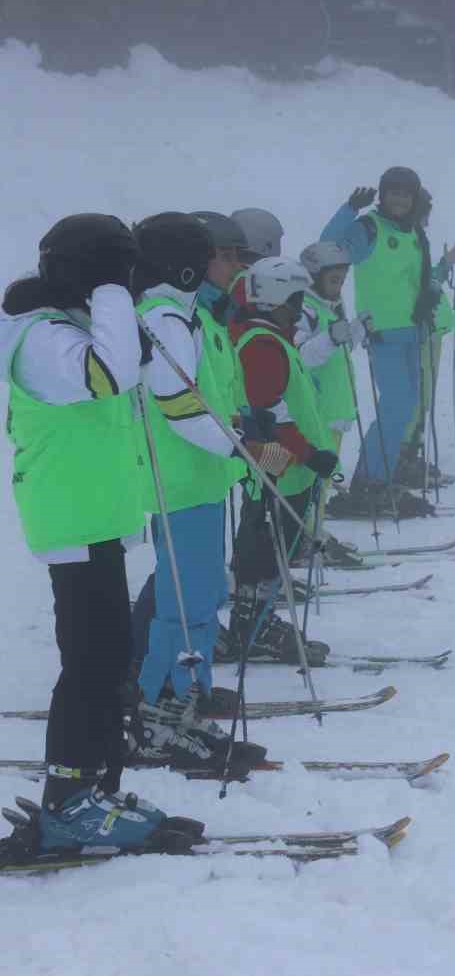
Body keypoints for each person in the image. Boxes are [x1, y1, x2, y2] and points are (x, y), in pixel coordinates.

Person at [0, 214, 194, 853]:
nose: (128, 284)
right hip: (71, 519)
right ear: (93, 273)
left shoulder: (66, 328)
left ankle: (95, 788)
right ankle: (69, 800)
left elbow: (130, 368)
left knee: (107, 658)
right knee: (89, 661)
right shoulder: (40, 339)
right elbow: (109, 376)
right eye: (120, 273)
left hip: (98, 519)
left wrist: (120, 310)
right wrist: (113, 296)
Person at [129, 213, 265, 773]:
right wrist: (234, 442)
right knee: (187, 603)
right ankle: (162, 710)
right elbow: (179, 405)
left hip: (197, 479)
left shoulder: (180, 313)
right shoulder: (163, 316)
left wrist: (236, 429)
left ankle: (185, 700)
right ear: (184, 263)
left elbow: (200, 395)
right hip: (180, 481)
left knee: (201, 596)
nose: (223, 266)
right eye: (212, 255)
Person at [225, 256, 340, 666]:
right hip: (281, 466)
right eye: (295, 298)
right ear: (276, 300)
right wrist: (313, 456)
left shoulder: (271, 338)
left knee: (268, 542)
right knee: (266, 543)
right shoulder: (263, 344)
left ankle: (254, 619)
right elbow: (268, 415)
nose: (299, 307)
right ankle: (254, 625)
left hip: (287, 466)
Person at [320, 167, 432, 513]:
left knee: (408, 404)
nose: (399, 200)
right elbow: (328, 248)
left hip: (412, 331)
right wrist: (349, 210)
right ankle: (369, 481)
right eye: (393, 193)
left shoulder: (413, 231)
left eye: (405, 194)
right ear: (382, 195)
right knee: (396, 403)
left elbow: (416, 278)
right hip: (382, 332)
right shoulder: (370, 228)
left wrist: (427, 301)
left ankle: (384, 472)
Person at [294, 240, 368, 564]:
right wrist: (332, 337)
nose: (339, 287)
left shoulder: (325, 308)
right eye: (333, 280)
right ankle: (305, 538)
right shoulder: (303, 310)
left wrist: (356, 331)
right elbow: (300, 357)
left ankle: (314, 533)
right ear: (312, 277)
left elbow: (338, 351)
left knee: (322, 484)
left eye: (342, 280)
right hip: (316, 413)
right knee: (312, 483)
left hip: (334, 410)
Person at [397, 186, 455, 489]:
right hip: (421, 330)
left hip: (432, 330)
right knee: (417, 394)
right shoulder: (406, 242)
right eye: (424, 213)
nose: (426, 220)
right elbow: (415, 285)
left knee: (424, 395)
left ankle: (412, 454)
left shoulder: (417, 240)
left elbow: (427, 279)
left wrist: (445, 265)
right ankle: (405, 457)